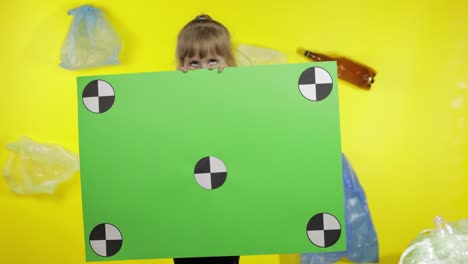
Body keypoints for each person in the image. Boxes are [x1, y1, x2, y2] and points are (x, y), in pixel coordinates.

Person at [172, 14, 240, 264]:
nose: (203, 69)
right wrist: (176, 92)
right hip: (186, 207)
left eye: (212, 60)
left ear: (227, 63)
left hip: (226, 207)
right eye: (193, 63)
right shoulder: (172, 100)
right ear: (182, 64)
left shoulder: (239, 98)